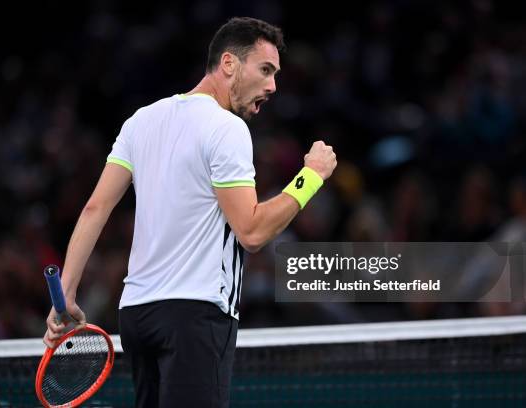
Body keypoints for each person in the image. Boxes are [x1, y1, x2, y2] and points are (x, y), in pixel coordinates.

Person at [43, 16, 337, 408]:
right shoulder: (226, 129)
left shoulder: (140, 121)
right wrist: (311, 177)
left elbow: (96, 208)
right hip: (193, 317)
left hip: (137, 317)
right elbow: (250, 232)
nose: (273, 86)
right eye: (266, 70)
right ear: (229, 63)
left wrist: (66, 294)